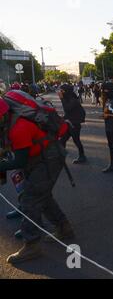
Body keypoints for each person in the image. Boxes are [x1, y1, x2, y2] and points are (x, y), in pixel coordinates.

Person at [0, 97, 74, 263]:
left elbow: (19, 161)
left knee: (30, 199)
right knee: (43, 196)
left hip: (49, 158)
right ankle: (64, 227)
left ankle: (32, 244)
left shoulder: (19, 127)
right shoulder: (8, 122)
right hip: (39, 157)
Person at [58, 84, 87, 164]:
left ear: (66, 91)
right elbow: (68, 113)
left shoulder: (73, 99)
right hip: (69, 123)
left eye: (62, 90)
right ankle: (61, 158)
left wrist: (61, 98)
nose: (61, 92)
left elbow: (67, 109)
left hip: (74, 124)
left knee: (76, 140)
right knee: (62, 140)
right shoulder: (68, 98)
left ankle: (82, 156)